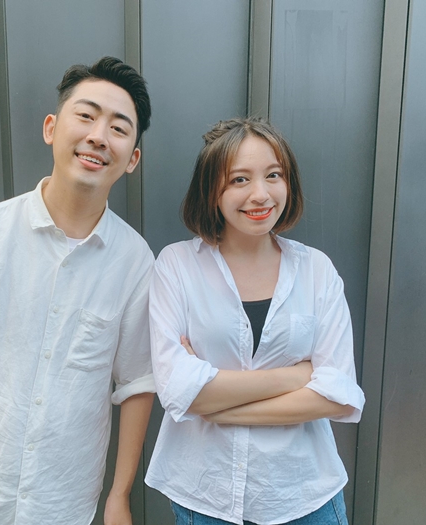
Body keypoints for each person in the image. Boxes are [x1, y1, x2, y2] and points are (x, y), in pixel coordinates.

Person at [0, 56, 155, 525]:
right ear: (51, 128)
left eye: (119, 128)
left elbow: (137, 383)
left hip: (63, 507)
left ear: (132, 158)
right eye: (86, 115)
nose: (99, 136)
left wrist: (119, 497)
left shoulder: (136, 261)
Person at [145, 117, 365, 525]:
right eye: (239, 180)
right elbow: (178, 391)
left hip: (304, 496)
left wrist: (220, 408)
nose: (260, 194)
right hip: (205, 495)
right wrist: (297, 376)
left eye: (273, 175)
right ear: (211, 190)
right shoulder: (176, 266)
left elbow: (337, 395)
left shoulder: (316, 270)